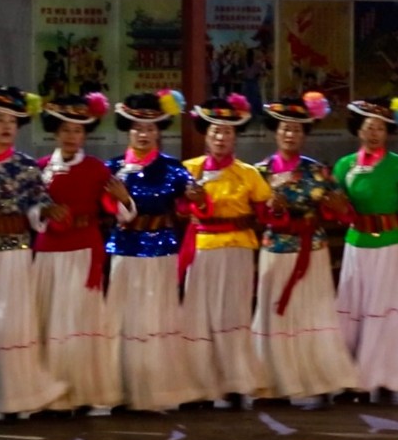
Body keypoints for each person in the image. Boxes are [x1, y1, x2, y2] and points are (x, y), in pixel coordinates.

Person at [252, 94, 359, 406]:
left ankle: (322, 379)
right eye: (285, 128)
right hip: (275, 249)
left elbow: (343, 212)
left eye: (297, 129)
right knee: (273, 315)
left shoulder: (319, 172)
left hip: (312, 250)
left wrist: (338, 208)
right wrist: (271, 209)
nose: (290, 134)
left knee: (315, 312)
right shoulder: (260, 172)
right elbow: (255, 214)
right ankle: (273, 384)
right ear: (276, 131)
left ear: (305, 134)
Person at [105, 90, 206, 412]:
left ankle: (159, 390)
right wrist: (121, 199)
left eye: (149, 129)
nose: (143, 134)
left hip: (161, 252)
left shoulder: (174, 169)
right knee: (124, 319)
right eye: (137, 127)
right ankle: (123, 389)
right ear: (128, 129)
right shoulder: (112, 169)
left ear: (159, 131)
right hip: (124, 251)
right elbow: (107, 206)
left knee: (158, 318)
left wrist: (196, 197)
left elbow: (192, 205)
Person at [34, 92, 127, 414]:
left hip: (84, 251)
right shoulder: (40, 169)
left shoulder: (97, 169)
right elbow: (32, 213)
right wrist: (45, 213)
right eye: (65, 130)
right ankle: (51, 393)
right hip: (48, 253)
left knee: (80, 321)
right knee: (49, 320)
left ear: (85, 134)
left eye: (77, 130)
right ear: (55, 133)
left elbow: (121, 213)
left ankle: (86, 392)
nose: (72, 136)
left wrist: (124, 198)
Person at [181, 95, 272, 408]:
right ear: (206, 134)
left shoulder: (249, 174)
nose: (221, 138)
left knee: (233, 313)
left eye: (228, 133)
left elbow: (265, 214)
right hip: (201, 249)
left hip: (237, 249)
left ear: (235, 137)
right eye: (216, 131)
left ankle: (235, 383)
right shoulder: (188, 170)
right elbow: (179, 208)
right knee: (199, 316)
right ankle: (199, 387)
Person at [0, 86, 66, 418]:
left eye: (13, 121)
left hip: (16, 253)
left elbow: (40, 201)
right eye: (0, 120)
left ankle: (16, 398)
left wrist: (45, 212)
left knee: (12, 325)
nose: (7, 127)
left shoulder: (27, 167)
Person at [332, 96, 398, 400]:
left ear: (388, 132)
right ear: (358, 130)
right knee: (354, 308)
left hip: (390, 244)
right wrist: (337, 207)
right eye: (369, 127)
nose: (374, 133)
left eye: (380, 128)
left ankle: (384, 377)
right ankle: (349, 377)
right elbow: (335, 208)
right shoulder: (344, 166)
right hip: (357, 243)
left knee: (385, 309)